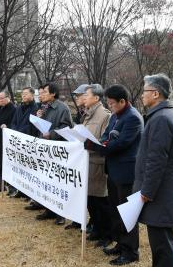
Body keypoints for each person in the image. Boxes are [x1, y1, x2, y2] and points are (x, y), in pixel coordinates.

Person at [134, 74, 173, 267]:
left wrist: (146, 191)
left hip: (161, 193)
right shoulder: (160, 116)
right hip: (160, 191)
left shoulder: (162, 119)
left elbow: (157, 160)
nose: (142, 95)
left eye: (145, 91)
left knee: (163, 243)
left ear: (155, 93)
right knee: (160, 241)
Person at [94, 84, 143, 265]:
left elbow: (122, 143)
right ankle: (120, 243)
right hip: (113, 170)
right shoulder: (115, 116)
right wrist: (99, 143)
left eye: (112, 103)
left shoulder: (133, 118)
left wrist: (100, 148)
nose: (110, 106)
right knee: (115, 209)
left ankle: (131, 251)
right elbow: (106, 136)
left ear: (123, 101)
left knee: (128, 212)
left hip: (127, 172)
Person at [31, 82, 73, 224]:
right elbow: (40, 128)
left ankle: (61, 214)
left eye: (44, 92)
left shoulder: (63, 108)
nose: (41, 95)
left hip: (57, 150)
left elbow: (66, 128)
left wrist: (52, 134)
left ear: (53, 94)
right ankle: (49, 210)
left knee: (58, 183)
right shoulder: (43, 108)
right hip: (45, 150)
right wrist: (39, 117)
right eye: (40, 93)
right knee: (46, 181)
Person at [79, 85, 112, 246]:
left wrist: (91, 143)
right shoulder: (87, 114)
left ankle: (107, 234)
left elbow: (105, 141)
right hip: (86, 163)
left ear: (96, 98)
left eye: (87, 95)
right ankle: (97, 230)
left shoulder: (105, 115)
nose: (84, 98)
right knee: (90, 201)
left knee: (101, 202)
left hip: (97, 163)